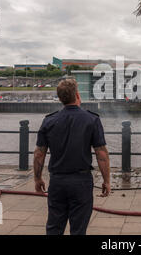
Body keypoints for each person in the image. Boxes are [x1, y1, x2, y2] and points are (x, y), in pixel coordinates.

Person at [33, 79, 111, 235]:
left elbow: (39, 153)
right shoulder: (92, 120)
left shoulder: (49, 121)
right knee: (78, 229)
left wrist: (38, 178)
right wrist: (107, 181)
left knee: (54, 227)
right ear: (77, 95)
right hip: (81, 182)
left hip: (57, 181)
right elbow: (101, 154)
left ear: (60, 98)